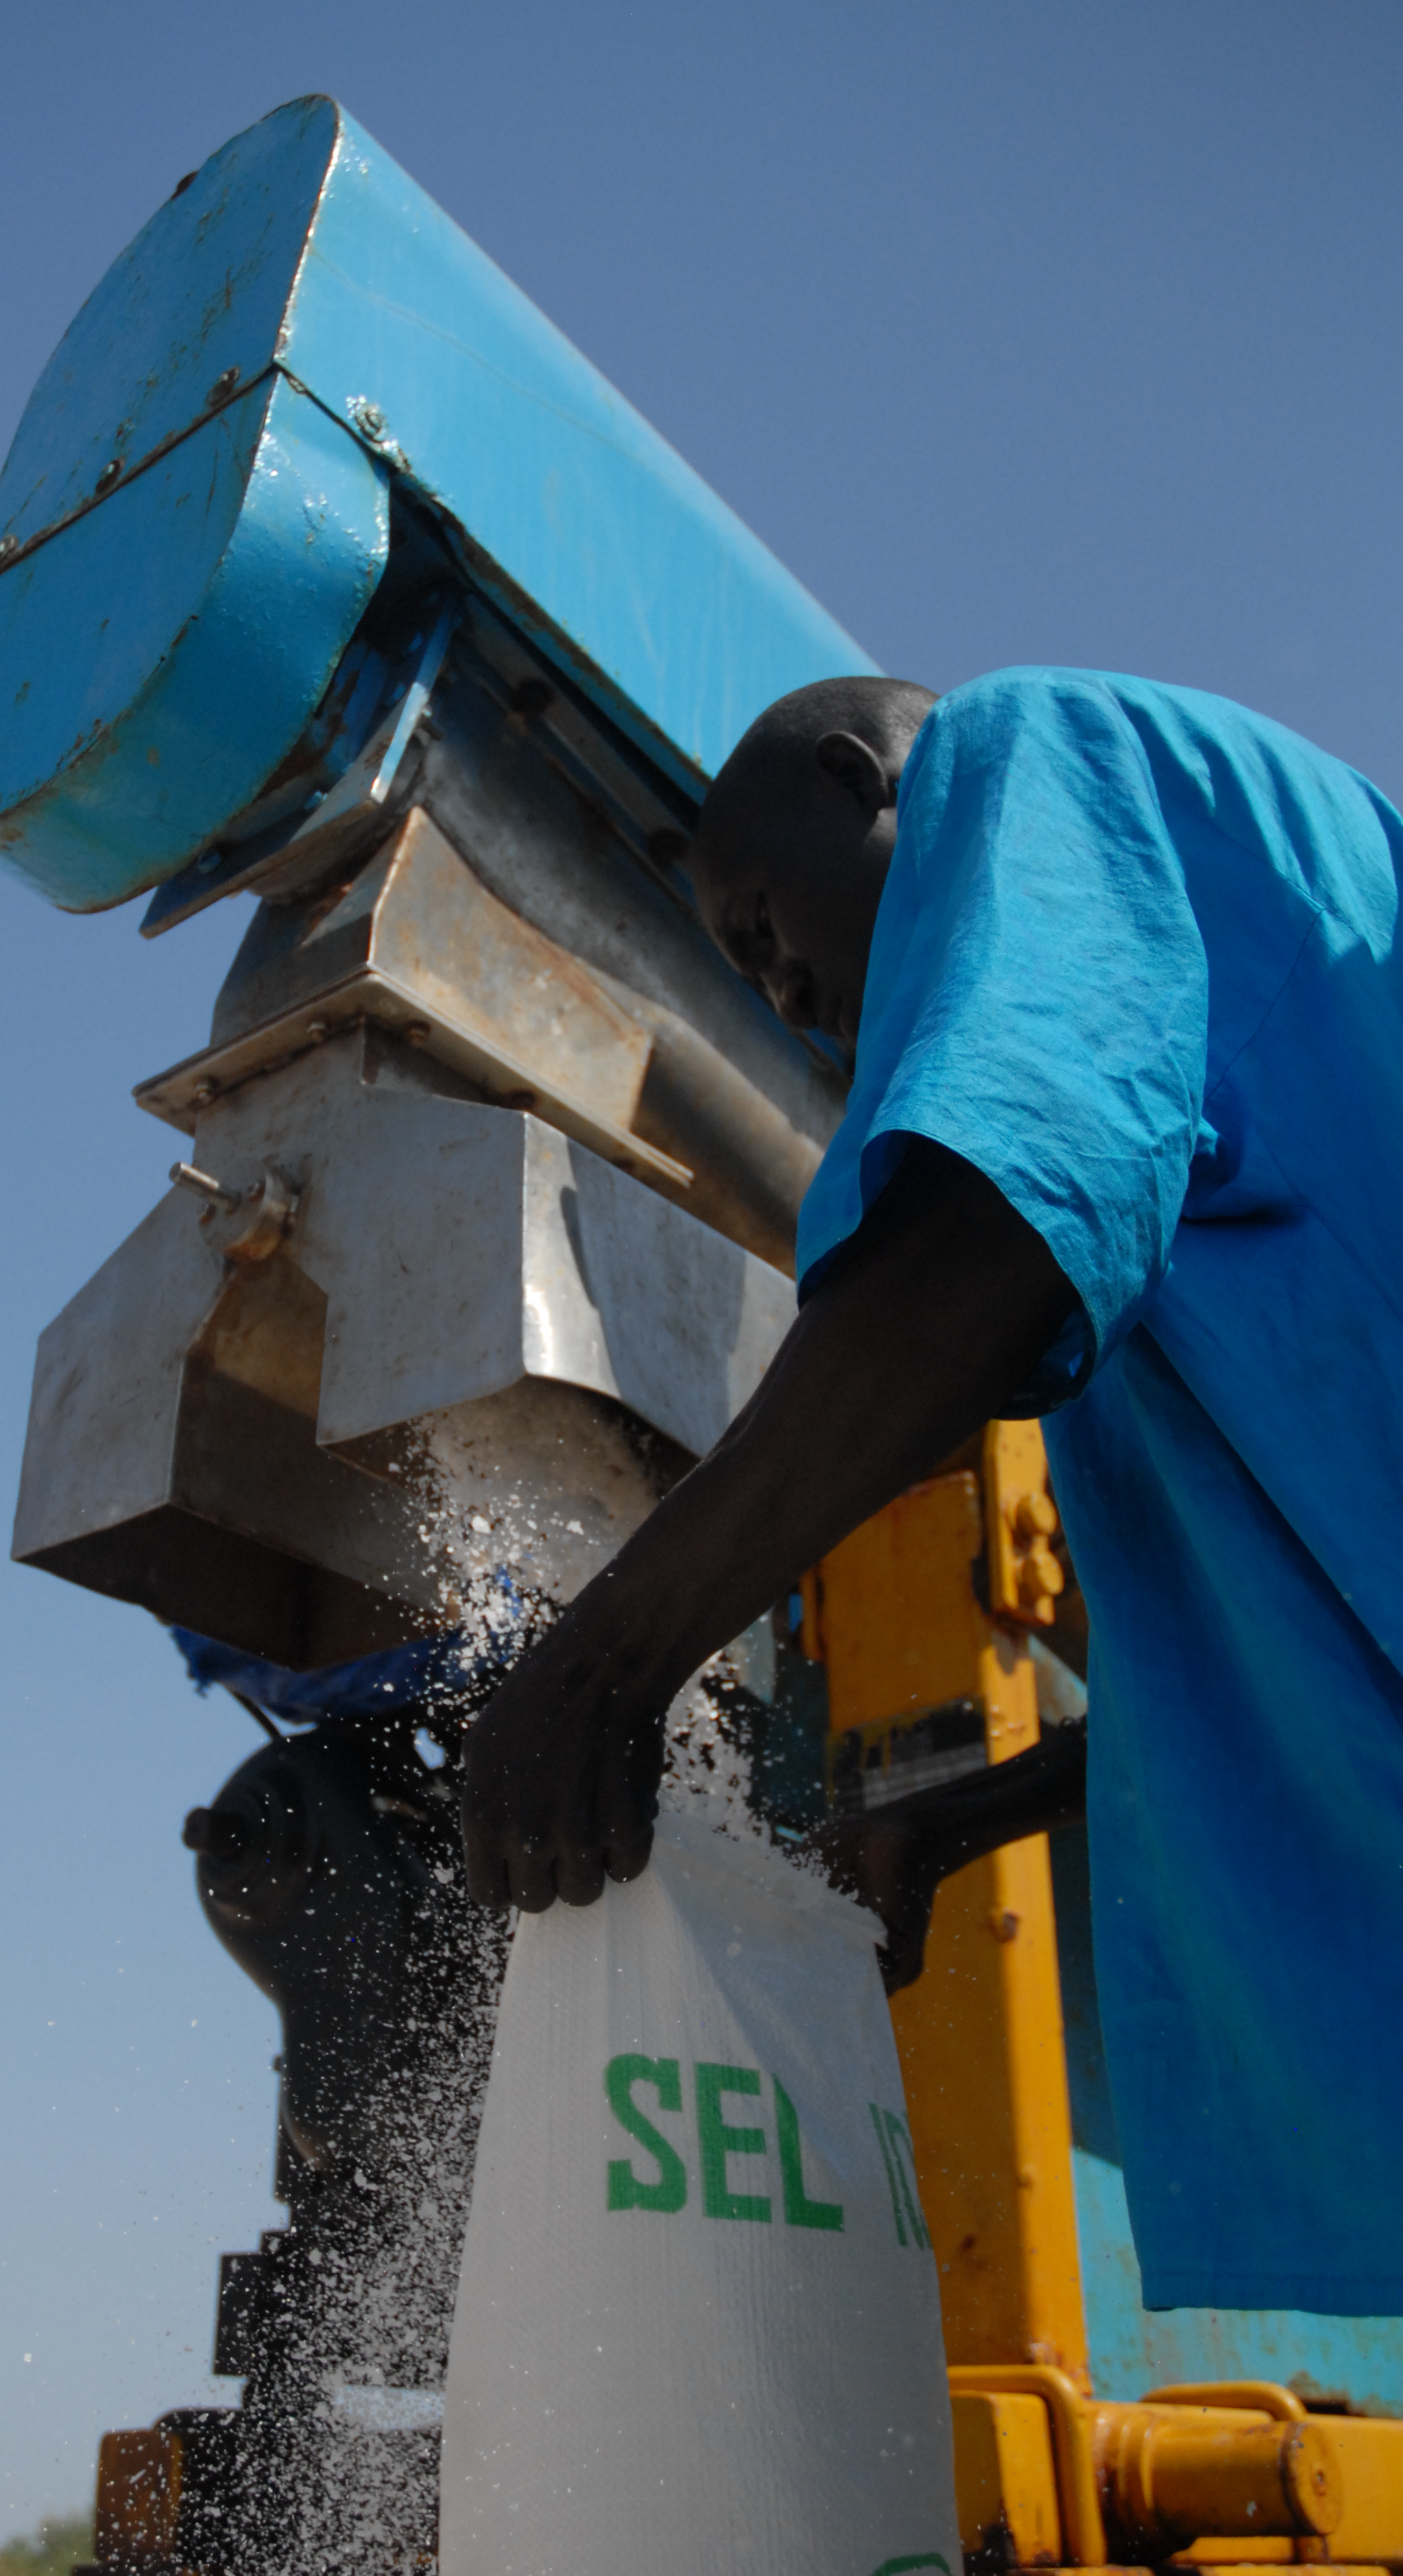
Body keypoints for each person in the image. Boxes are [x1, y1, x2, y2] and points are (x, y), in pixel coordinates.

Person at [460, 666, 1403, 2317]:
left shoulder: (1032, 758)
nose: (777, 992)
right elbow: (1309, 1680)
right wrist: (960, 1820)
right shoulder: (1207, 1175)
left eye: (758, 924)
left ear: (863, 781)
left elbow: (976, 1247)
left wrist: (609, 1661)